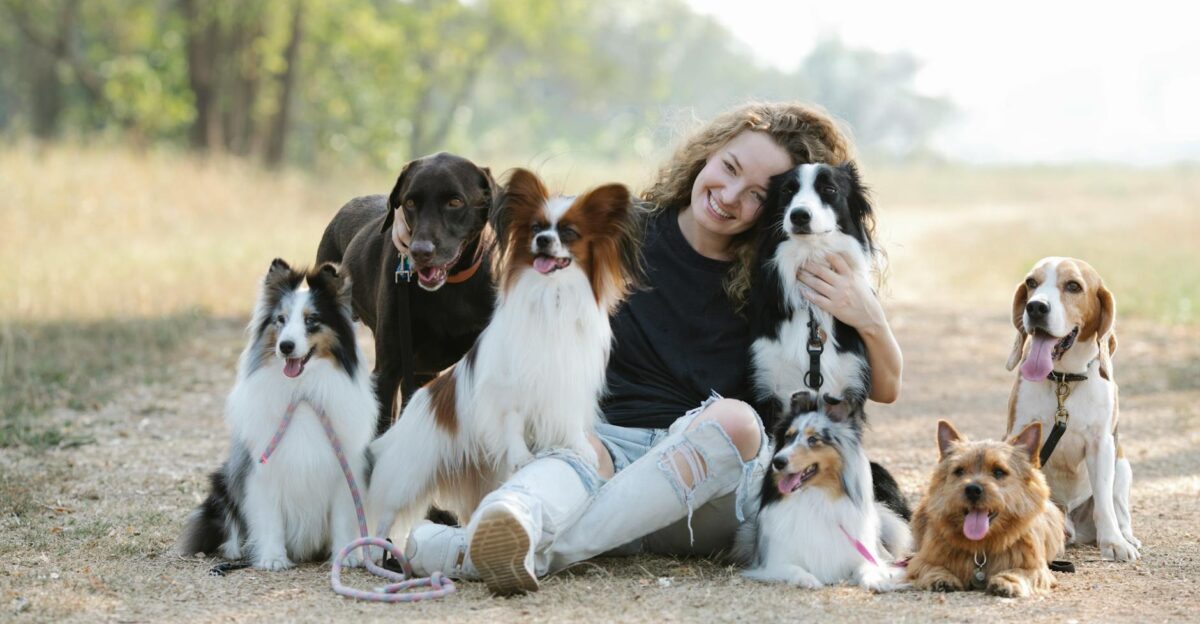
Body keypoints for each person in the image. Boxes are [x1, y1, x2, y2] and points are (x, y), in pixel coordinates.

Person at [401, 101, 903, 595]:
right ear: (706, 154)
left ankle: (465, 549)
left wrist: (870, 316)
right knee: (573, 447)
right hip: (601, 450)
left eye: (754, 194)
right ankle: (510, 528)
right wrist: (408, 232)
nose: (729, 195)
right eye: (728, 168)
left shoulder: (774, 277)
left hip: (704, 481)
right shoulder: (619, 230)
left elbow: (883, 386)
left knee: (737, 422)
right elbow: (514, 222)